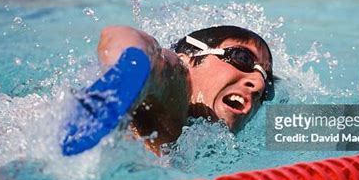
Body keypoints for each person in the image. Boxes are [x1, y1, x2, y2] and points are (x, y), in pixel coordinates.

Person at [97, 25, 275, 154]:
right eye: (242, 57)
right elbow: (126, 37)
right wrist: (122, 83)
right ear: (187, 60)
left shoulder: (207, 146)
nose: (259, 84)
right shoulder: (174, 89)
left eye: (268, 86)